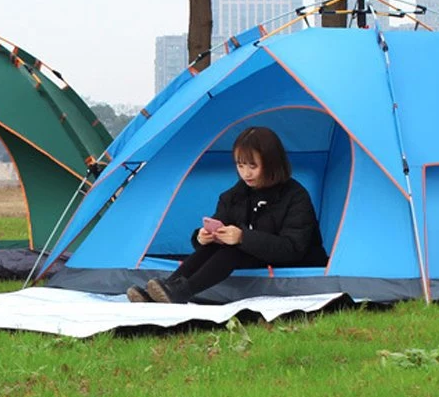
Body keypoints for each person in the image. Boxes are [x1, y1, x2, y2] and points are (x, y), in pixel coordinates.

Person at [127, 126, 327, 304]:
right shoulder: (235, 195)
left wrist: (242, 237)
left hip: (296, 261)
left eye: (253, 166)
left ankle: (183, 292)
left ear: (272, 163)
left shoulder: (296, 196)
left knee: (236, 248)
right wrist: (202, 237)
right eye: (240, 166)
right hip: (256, 255)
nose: (246, 173)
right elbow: (219, 225)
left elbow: (293, 248)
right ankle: (167, 288)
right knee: (217, 245)